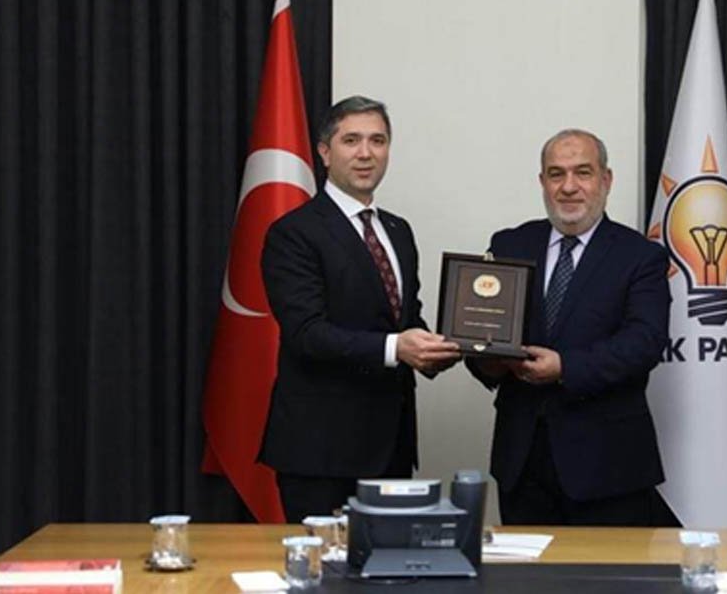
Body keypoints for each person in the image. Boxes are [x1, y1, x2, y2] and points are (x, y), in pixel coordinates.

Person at [259, 95, 461, 521]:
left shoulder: (398, 231)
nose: (366, 153)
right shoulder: (293, 233)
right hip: (320, 454)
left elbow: (405, 319)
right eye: (351, 140)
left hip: (391, 447)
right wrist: (397, 348)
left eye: (378, 140)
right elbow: (307, 334)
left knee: (390, 562)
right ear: (324, 151)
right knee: (325, 565)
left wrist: (443, 347)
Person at [468, 129, 678, 526]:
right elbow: (485, 329)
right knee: (527, 567)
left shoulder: (641, 256)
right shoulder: (510, 244)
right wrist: (487, 360)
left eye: (583, 172)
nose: (568, 187)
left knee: (606, 568)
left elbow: (644, 343)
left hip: (609, 465)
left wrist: (565, 367)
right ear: (542, 182)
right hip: (522, 462)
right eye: (556, 174)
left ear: (606, 180)